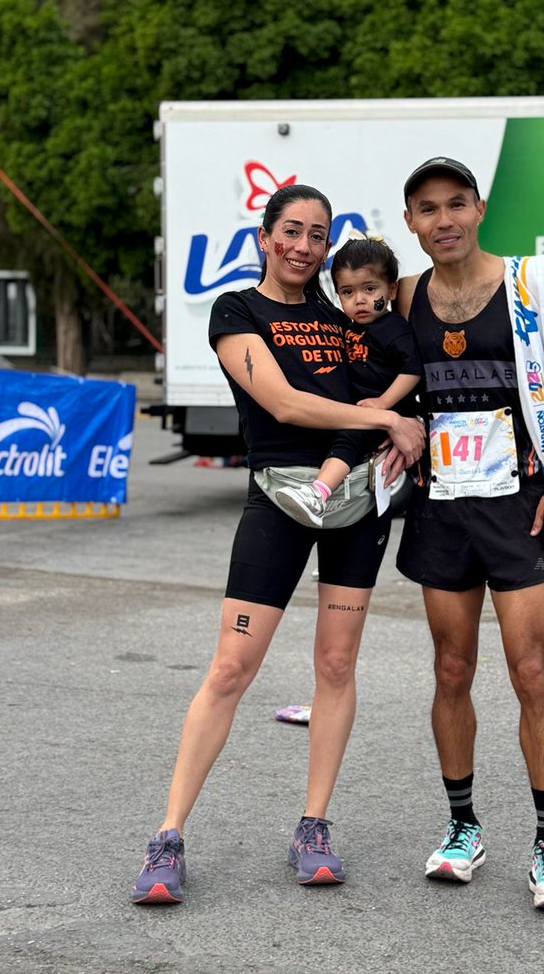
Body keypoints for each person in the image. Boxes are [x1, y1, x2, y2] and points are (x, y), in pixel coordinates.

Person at [131, 185, 424, 904]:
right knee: (231, 667)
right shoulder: (238, 311)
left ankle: (313, 825)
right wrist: (387, 421)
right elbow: (284, 404)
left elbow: (409, 347)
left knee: (335, 661)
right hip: (281, 497)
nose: (303, 245)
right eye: (290, 230)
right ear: (265, 237)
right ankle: (167, 837)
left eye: (317, 235)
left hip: (359, 502)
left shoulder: (346, 310)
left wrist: (405, 422)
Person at [395, 156, 544, 911]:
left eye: (456, 204)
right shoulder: (403, 296)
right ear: (411, 223)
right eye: (427, 209)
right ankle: (463, 829)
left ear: (479, 209)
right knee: (451, 670)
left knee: (532, 671)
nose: (444, 220)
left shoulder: (530, 287)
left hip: (519, 504)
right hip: (441, 506)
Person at [276, 236, 422, 528]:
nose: (359, 300)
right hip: (363, 410)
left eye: (370, 289)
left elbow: (413, 370)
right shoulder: (350, 328)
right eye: (347, 292)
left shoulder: (393, 329)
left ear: (391, 289)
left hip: (385, 411)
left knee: (349, 440)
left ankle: (318, 494)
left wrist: (382, 405)